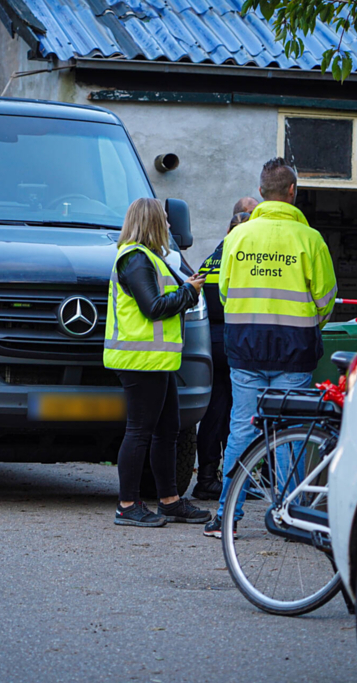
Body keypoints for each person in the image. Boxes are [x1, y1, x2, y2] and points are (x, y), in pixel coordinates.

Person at [204, 159, 337, 538]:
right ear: (292, 192)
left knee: (243, 431)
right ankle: (290, 513)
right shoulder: (310, 240)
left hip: (245, 348)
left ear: (261, 193)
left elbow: (226, 293)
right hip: (294, 351)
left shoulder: (237, 238)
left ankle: (226, 515)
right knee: (290, 432)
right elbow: (326, 299)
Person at [104, 197, 213, 527]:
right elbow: (152, 307)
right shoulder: (135, 260)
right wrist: (189, 293)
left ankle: (169, 501)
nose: (168, 225)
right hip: (140, 360)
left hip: (156, 360)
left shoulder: (149, 258)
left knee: (168, 430)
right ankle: (127, 505)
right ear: (151, 222)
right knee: (139, 431)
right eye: (164, 220)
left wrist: (188, 286)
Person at [192, 199, 257, 500]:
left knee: (214, 412)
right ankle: (238, 480)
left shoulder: (212, 257)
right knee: (238, 414)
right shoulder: (243, 255)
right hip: (235, 341)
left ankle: (206, 477)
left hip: (210, 342)